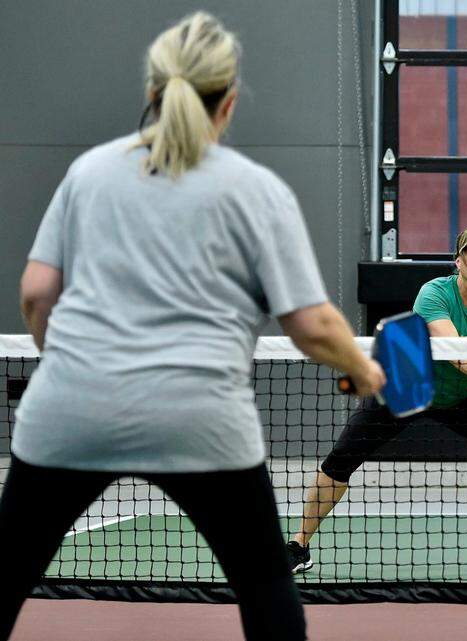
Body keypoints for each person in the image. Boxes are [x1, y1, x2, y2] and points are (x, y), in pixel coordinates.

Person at [2, 13, 383, 641]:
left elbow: (37, 293)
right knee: (265, 589)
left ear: (151, 93)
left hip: (69, 409)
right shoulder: (256, 191)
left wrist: (66, 362)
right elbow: (312, 325)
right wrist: (363, 369)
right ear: (228, 102)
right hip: (200, 420)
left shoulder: (89, 174)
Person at [287, 223, 467, 576]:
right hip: (406, 387)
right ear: (457, 261)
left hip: (463, 397)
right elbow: (453, 350)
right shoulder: (434, 293)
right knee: (342, 459)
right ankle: (298, 545)